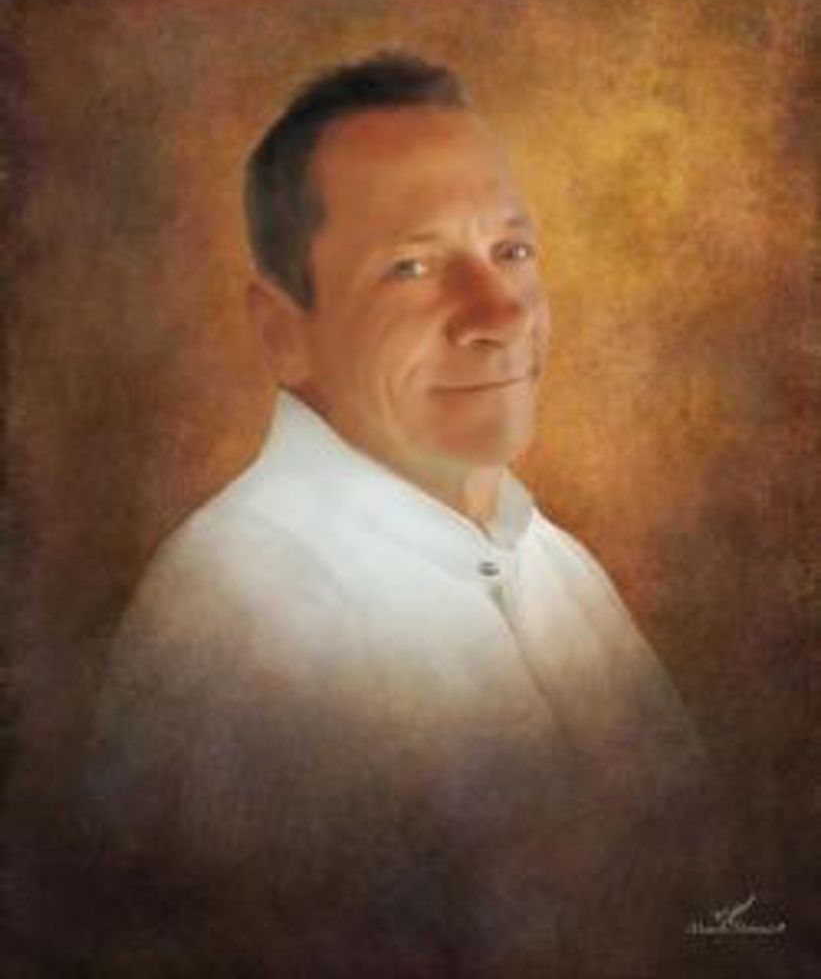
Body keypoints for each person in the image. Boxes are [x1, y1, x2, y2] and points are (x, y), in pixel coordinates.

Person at [45, 53, 729, 978]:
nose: (499, 313)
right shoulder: (243, 626)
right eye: (410, 267)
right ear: (282, 331)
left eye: (511, 253)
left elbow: (707, 898)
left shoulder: (555, 564)